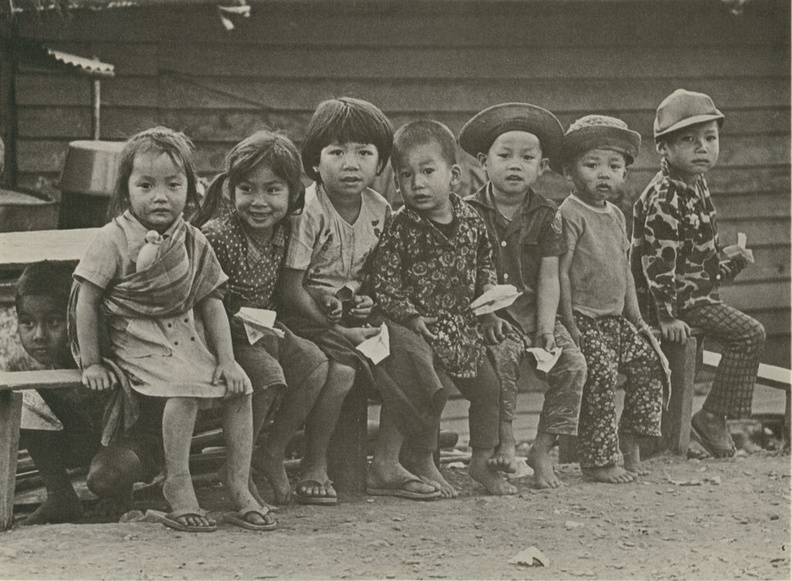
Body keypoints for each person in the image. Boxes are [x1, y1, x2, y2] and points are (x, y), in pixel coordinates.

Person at [71, 127, 275, 532]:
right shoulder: (112, 239)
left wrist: (228, 361)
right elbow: (86, 299)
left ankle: (237, 482)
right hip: (136, 341)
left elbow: (212, 302)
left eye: (172, 184)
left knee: (241, 389)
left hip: (185, 340)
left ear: (191, 188)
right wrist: (92, 362)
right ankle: (177, 485)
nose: (160, 196)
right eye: (146, 185)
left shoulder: (193, 239)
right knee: (184, 389)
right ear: (126, 189)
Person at [281, 97, 442, 503]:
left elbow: (377, 274)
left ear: (381, 163)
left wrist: (366, 298)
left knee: (413, 351)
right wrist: (336, 324)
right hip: (308, 315)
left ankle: (388, 462)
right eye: (337, 152)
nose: (351, 164)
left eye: (364, 153)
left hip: (356, 315)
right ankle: (314, 463)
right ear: (315, 162)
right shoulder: (309, 210)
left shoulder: (380, 208)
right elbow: (289, 289)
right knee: (342, 374)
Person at [372, 119, 517, 496]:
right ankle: (423, 458)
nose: (417, 184)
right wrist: (411, 316)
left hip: (462, 327)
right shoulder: (401, 227)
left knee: (488, 389)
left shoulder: (470, 219)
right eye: (406, 175)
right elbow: (383, 283)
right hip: (419, 329)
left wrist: (488, 307)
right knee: (428, 388)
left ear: (453, 176)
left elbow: (485, 261)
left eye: (427, 171)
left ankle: (482, 462)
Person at [195, 130, 330, 505]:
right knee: (267, 376)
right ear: (230, 191)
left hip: (264, 328)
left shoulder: (283, 232)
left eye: (272, 190)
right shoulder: (217, 236)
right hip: (222, 334)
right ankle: (236, 468)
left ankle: (270, 451)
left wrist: (322, 297)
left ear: (292, 194)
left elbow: (292, 283)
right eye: (247, 190)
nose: (259, 202)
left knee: (315, 364)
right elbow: (206, 302)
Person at [631, 89, 765, 458]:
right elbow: (656, 264)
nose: (702, 148)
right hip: (674, 303)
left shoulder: (696, 186)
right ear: (664, 149)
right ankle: (711, 417)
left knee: (703, 354)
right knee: (750, 334)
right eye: (688, 139)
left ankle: (684, 429)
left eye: (710, 138)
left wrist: (732, 260)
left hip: (695, 296)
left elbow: (698, 263)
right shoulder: (664, 197)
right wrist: (667, 315)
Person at [461, 103, 587, 489]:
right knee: (501, 359)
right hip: (488, 316)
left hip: (533, 313)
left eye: (527, 158)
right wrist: (484, 316)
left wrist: (547, 328)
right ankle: (504, 441)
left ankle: (543, 448)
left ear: (542, 167)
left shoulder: (548, 216)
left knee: (573, 366)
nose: (515, 165)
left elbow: (550, 275)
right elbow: (461, 275)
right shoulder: (466, 212)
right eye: (504, 155)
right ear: (484, 161)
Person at [557, 115, 665, 483]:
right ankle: (598, 460)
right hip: (583, 318)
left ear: (624, 175)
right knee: (599, 373)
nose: (603, 174)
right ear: (570, 172)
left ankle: (629, 441)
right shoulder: (569, 213)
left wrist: (636, 319)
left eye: (613, 166)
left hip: (616, 320)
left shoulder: (618, 216)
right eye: (592, 165)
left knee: (650, 364)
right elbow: (560, 272)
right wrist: (569, 322)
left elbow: (624, 272)